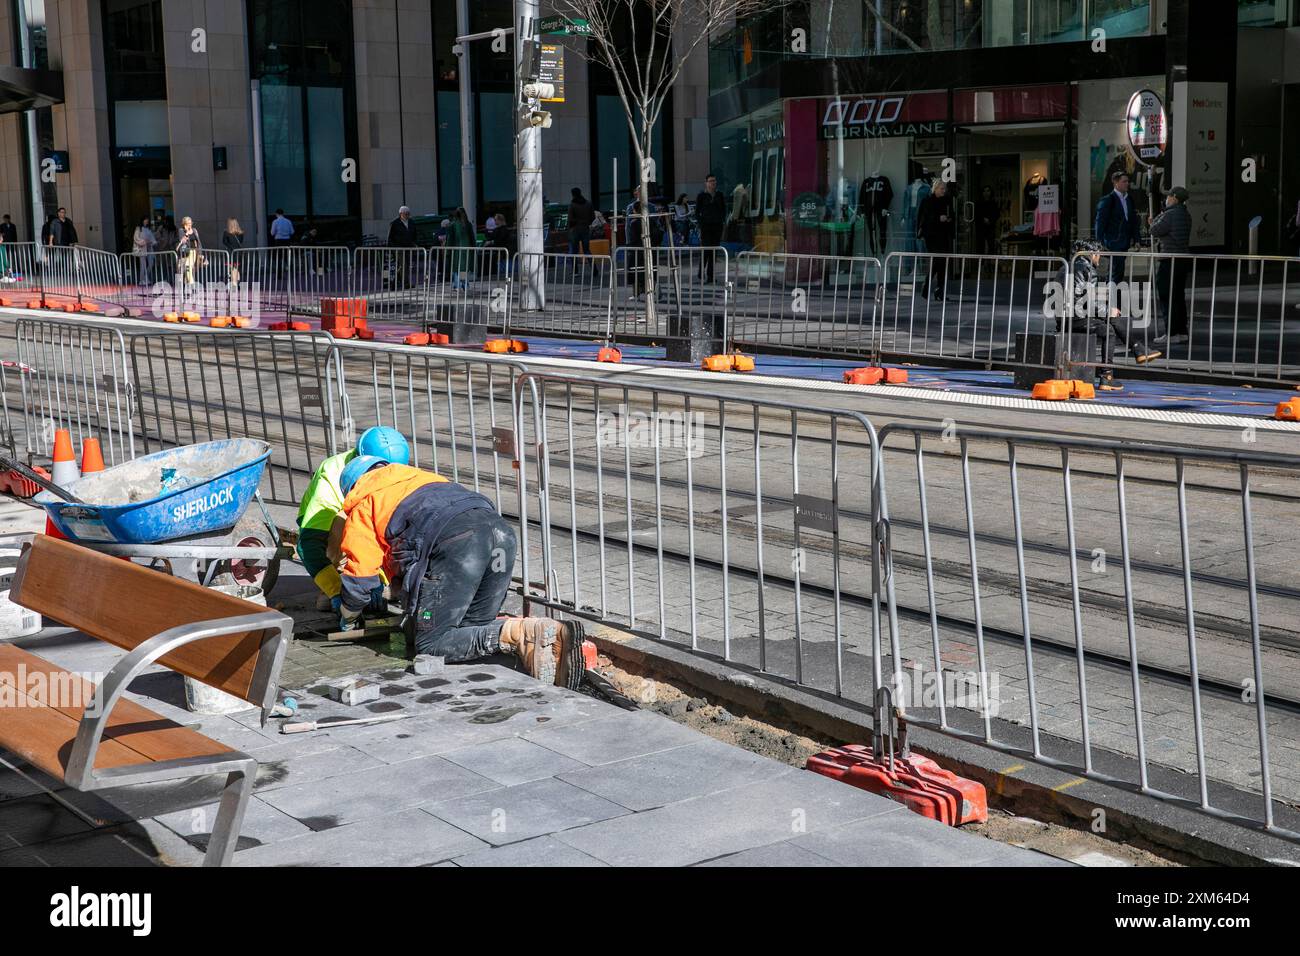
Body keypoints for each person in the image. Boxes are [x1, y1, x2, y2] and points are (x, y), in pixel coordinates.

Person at [334, 455, 585, 686]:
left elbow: (359, 579)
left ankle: (521, 632)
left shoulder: (365, 503)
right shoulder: (424, 480)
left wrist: (348, 617)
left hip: (460, 543)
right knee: (470, 630)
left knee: (432, 643)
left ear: (352, 487)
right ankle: (546, 642)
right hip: (500, 534)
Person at [296, 426, 411, 612]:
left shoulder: (398, 471)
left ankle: (374, 582)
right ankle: (339, 580)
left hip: (366, 523)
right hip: (328, 528)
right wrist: (335, 592)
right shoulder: (332, 479)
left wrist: (379, 580)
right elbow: (308, 546)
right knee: (343, 521)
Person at [1053, 240, 1161, 390]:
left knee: (1111, 321)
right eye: (1099, 255)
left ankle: (1137, 351)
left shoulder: (1066, 266)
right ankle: (1110, 373)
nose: (1100, 258)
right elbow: (1085, 300)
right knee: (1109, 329)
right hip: (1075, 317)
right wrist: (1107, 311)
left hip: (1065, 317)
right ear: (1093, 254)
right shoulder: (1086, 268)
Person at [1149, 186, 1192, 344]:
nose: (1166, 199)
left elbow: (1155, 230)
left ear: (1174, 197)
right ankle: (1182, 331)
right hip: (1182, 259)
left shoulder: (1169, 215)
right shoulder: (1186, 215)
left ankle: (1171, 333)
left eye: (1168, 196)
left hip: (1169, 259)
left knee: (1167, 296)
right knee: (1179, 296)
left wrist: (1153, 222)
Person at [1094, 170, 1141, 284]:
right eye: (1124, 181)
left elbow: (1133, 221)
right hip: (1113, 241)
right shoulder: (1108, 200)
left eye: (1127, 181)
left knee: (1118, 270)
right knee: (1115, 270)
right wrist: (1099, 242)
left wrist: (1137, 240)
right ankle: (1111, 294)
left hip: (1124, 242)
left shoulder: (1129, 199)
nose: (1127, 184)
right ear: (1116, 183)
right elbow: (1100, 222)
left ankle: (1112, 293)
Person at [916, 179, 954, 299]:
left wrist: (949, 219)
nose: (944, 191)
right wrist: (938, 218)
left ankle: (938, 290)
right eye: (941, 188)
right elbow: (924, 219)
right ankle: (929, 287)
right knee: (938, 261)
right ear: (935, 188)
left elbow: (951, 214)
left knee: (941, 262)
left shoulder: (947, 201)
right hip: (932, 236)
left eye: (944, 189)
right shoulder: (927, 201)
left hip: (943, 235)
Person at [695, 174, 726, 281]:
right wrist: (700, 223)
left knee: (714, 251)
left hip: (717, 226)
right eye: (711, 181)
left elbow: (723, 209)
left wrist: (722, 220)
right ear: (706, 183)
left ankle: (711, 275)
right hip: (706, 227)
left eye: (714, 181)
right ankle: (700, 272)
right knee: (706, 250)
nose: (713, 183)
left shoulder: (719, 195)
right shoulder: (701, 196)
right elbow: (697, 212)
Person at [447, 207, 475, 290]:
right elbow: (472, 238)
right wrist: (473, 248)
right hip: (466, 250)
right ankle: (464, 284)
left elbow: (450, 239)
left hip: (456, 250)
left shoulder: (453, 225)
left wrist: (448, 250)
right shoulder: (468, 224)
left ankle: (457, 284)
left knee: (456, 267)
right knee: (463, 267)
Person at [175, 216, 201, 293]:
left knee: (188, 268)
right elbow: (181, 241)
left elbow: (199, 242)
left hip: (193, 252)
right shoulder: (181, 231)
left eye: (191, 223)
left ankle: (192, 287)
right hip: (184, 253)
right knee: (183, 272)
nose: (190, 225)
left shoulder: (194, 230)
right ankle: (183, 290)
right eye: (188, 224)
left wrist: (200, 253)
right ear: (184, 224)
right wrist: (186, 233)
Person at [567, 187, 595, 257]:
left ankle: (575, 268)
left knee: (574, 251)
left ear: (573, 195)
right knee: (587, 250)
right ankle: (594, 267)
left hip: (575, 230)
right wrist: (587, 223)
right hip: (585, 229)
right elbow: (593, 217)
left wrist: (570, 228)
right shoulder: (588, 203)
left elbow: (570, 219)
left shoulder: (572, 205)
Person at [974, 186, 999, 257]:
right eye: (984, 191)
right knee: (980, 246)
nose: (986, 193)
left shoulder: (993, 203)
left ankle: (990, 263)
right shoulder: (978, 203)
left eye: (988, 191)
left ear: (991, 192)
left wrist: (990, 220)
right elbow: (976, 214)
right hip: (980, 227)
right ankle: (980, 264)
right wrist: (983, 219)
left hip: (990, 227)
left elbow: (997, 214)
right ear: (982, 193)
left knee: (991, 245)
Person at [132, 216, 156, 285]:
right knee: (143, 265)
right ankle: (142, 280)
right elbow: (136, 238)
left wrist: (152, 242)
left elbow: (152, 238)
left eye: (147, 220)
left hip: (149, 248)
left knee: (151, 263)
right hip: (141, 249)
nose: (146, 221)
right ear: (142, 221)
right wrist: (144, 242)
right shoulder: (138, 228)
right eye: (145, 220)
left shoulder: (148, 229)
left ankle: (146, 277)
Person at [222, 218, 244, 287]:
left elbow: (224, 242)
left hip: (231, 253)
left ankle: (234, 285)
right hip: (238, 253)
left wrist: (230, 247)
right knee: (237, 269)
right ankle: (238, 284)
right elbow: (240, 242)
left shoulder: (226, 232)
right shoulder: (240, 233)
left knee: (232, 269)